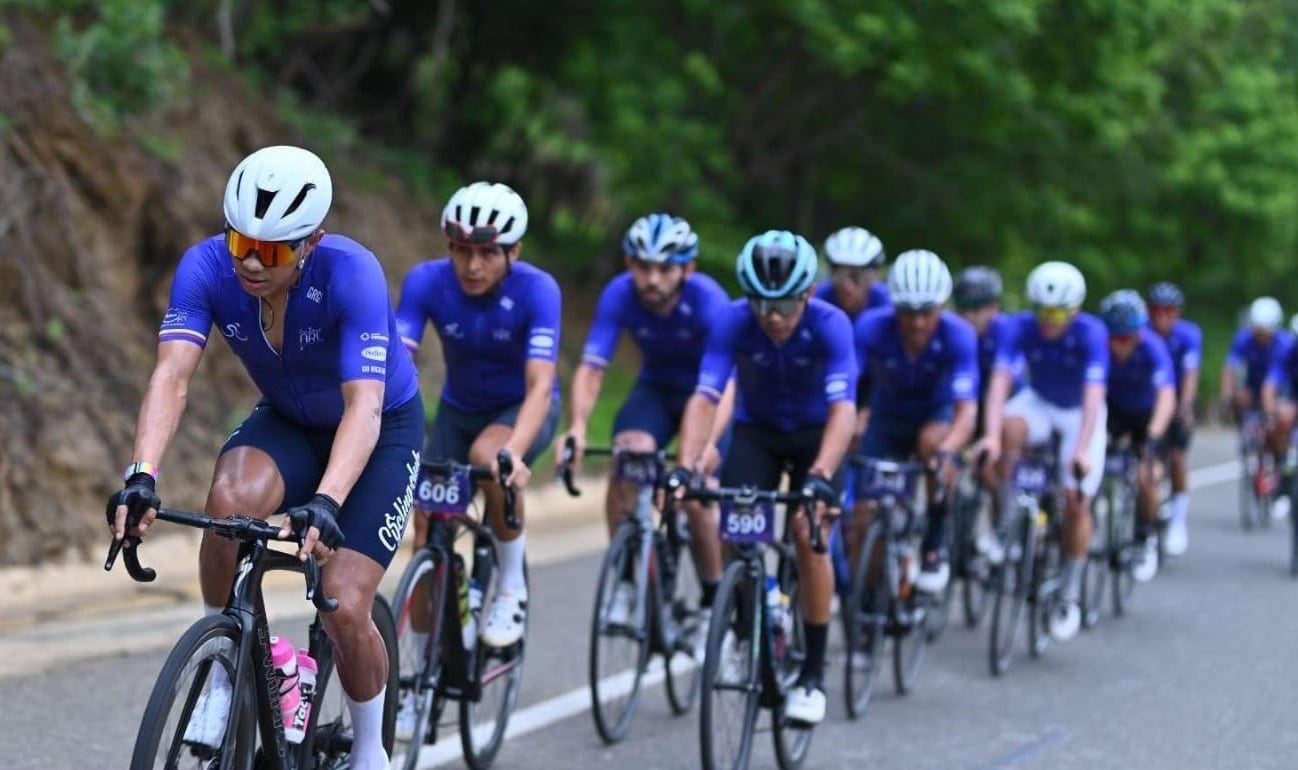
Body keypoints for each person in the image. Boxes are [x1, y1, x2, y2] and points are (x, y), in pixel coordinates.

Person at [108, 145, 422, 770]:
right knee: (228, 505)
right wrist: (141, 475)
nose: (251, 262)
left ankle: (370, 750)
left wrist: (327, 501)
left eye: (272, 251)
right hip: (290, 421)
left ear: (311, 243)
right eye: (241, 242)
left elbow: (363, 406)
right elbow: (171, 376)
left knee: (343, 602)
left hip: (380, 429)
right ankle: (224, 671)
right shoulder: (205, 268)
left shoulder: (351, 273)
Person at [666, 229, 857, 726]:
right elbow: (706, 395)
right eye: (761, 303)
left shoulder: (831, 324)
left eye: (785, 305)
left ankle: (812, 674)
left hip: (816, 436)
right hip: (759, 433)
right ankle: (749, 617)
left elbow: (843, 409)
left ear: (808, 293)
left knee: (809, 534)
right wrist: (686, 464)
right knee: (736, 527)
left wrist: (820, 474)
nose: (772, 316)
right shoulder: (733, 320)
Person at [395, 181, 561, 651]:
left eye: (487, 253)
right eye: (462, 250)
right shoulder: (426, 281)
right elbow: (396, 364)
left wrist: (514, 451)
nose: (472, 266)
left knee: (489, 457)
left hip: (520, 409)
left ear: (514, 252)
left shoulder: (538, 290)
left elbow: (540, 385)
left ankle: (510, 585)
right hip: (458, 410)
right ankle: (424, 663)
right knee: (427, 528)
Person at [561, 212, 732, 657]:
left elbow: (727, 384)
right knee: (628, 457)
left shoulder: (710, 301)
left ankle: (712, 599)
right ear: (628, 264)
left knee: (696, 496)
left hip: (709, 395)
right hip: (656, 390)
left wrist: (706, 447)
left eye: (664, 268)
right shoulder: (619, 294)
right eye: (642, 266)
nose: (652, 279)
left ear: (687, 269)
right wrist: (578, 426)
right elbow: (592, 368)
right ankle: (625, 576)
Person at [980, 261, 1107, 643]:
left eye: (1058, 314)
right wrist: (991, 437)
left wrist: (1081, 450)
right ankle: (1008, 523)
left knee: (1076, 502)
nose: (1049, 322)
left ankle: (1069, 592)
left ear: (1075, 311)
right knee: (1009, 428)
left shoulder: (1092, 333)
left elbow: (1093, 396)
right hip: (1039, 401)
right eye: (1043, 312)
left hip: (1079, 413)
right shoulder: (1018, 327)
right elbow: (999, 384)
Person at [851, 250, 979, 594]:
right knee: (862, 515)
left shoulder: (959, 335)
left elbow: (966, 411)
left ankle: (934, 541)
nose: (918, 322)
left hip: (934, 417)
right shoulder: (871, 327)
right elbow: (848, 387)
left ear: (942, 306)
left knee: (935, 448)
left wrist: (949, 450)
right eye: (908, 312)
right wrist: (853, 419)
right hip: (886, 418)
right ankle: (865, 599)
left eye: (927, 312)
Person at [1099, 290, 1175, 582]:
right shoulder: (1100, 346)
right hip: (1113, 412)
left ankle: (1145, 536)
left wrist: (1153, 436)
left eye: (1127, 338)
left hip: (1146, 415)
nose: (1121, 345)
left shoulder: (1153, 347)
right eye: (1115, 337)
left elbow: (1166, 396)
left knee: (1147, 474)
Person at [1145, 282, 1202, 555]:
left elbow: (1191, 372)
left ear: (1177, 312)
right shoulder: (1141, 333)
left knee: (1177, 457)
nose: (1162, 317)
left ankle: (1178, 520)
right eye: (1157, 311)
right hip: (1147, 400)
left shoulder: (1188, 334)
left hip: (1176, 398)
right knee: (1147, 461)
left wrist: (1186, 405)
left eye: (1168, 311)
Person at [1222, 296, 1291, 518]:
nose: (1260, 336)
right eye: (1257, 331)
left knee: (1277, 424)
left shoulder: (1285, 343)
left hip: (1279, 389)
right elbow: (1231, 369)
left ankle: (1281, 465)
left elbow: (1281, 377)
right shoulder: (1243, 339)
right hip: (1252, 387)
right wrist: (1229, 394)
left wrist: (1277, 404)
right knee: (1239, 406)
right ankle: (1247, 439)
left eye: (1265, 332)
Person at [1260, 313, 1298, 520]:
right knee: (1280, 421)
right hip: (1293, 396)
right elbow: (1270, 385)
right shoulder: (1288, 353)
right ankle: (1284, 472)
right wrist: (1271, 411)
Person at [813, 226, 891, 323]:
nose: (847, 286)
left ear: (873, 277)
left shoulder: (890, 304)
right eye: (840, 276)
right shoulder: (816, 298)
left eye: (857, 277)